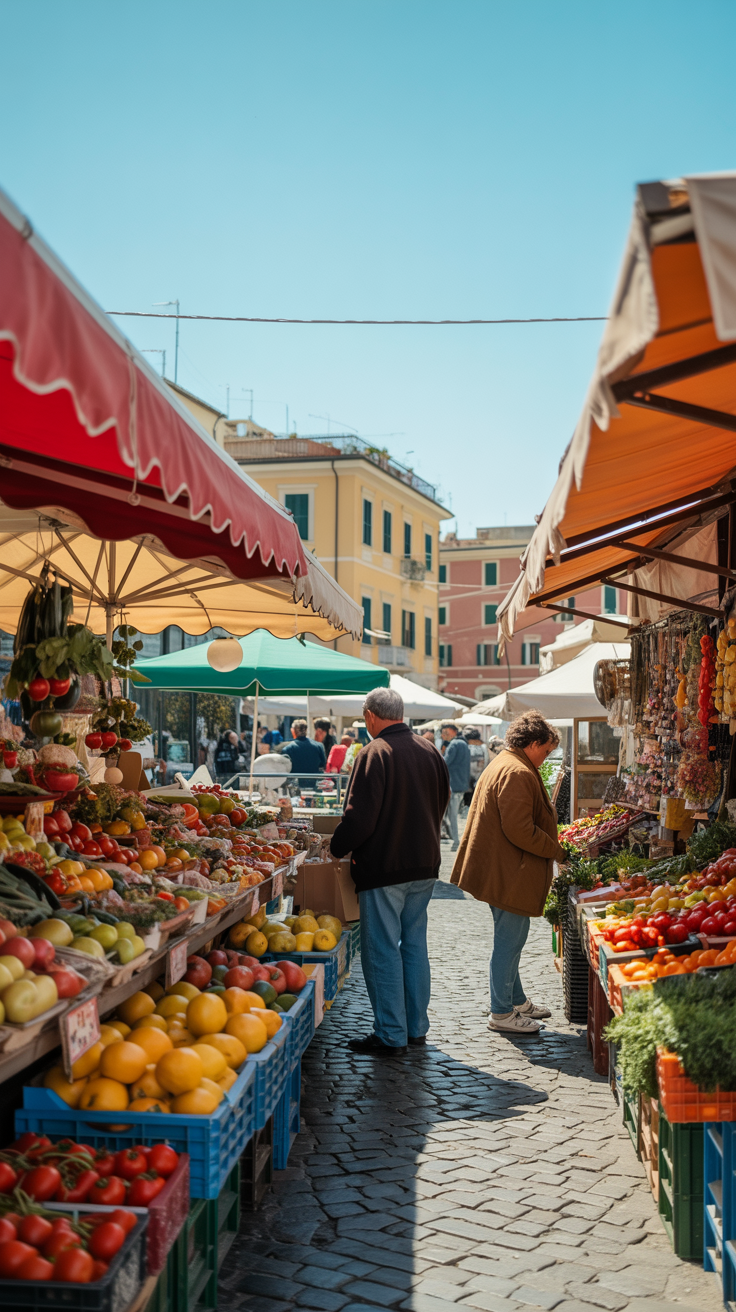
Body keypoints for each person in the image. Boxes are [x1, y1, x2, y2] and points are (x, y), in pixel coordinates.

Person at [330, 686, 450, 1056]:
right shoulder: (430, 750)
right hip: (425, 864)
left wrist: (335, 847)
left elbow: (359, 818)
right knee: (414, 946)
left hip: (386, 866)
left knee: (382, 950)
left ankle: (391, 1034)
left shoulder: (374, 753)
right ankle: (415, 1028)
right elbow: (442, 804)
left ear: (370, 716)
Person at [451, 709, 567, 1035]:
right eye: (545, 751)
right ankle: (501, 1012)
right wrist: (557, 851)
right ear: (532, 743)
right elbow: (520, 830)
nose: (545, 758)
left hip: (502, 867)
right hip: (509, 871)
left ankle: (516, 1000)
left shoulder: (508, 763)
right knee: (510, 940)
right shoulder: (516, 772)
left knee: (512, 937)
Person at [440, 721, 471, 851]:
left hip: (453, 784)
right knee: (453, 814)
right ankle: (457, 838)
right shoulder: (464, 744)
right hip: (462, 784)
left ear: (453, 731)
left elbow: (445, 762)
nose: (444, 736)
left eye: (446, 733)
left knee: (451, 815)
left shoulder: (454, 744)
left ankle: (456, 840)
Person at [281, 718, 327, 785]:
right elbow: (323, 765)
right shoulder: (319, 746)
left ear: (293, 731)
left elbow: (284, 769)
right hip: (314, 785)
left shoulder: (287, 749)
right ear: (306, 730)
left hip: (295, 785)